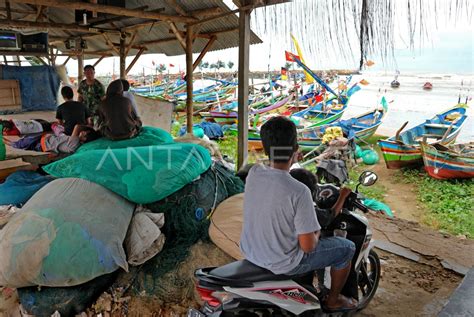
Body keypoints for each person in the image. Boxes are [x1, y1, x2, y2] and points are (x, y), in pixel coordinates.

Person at [240, 116, 357, 312]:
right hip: (284, 263)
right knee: (346, 248)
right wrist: (317, 232)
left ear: (265, 147)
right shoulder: (299, 191)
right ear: (295, 148)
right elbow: (308, 246)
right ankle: (333, 300)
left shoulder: (254, 173)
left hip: (251, 252)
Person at [5, 123, 100, 154]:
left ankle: (6, 142)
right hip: (43, 142)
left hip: (42, 143)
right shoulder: (76, 143)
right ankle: (7, 142)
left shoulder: (76, 142)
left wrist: (88, 127)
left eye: (85, 133)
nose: (83, 132)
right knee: (22, 142)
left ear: (85, 139)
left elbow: (77, 126)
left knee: (19, 144)